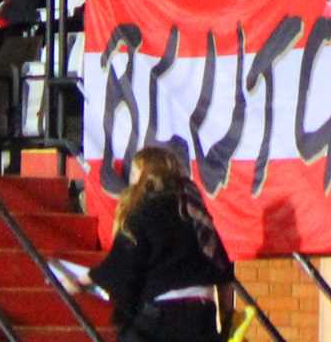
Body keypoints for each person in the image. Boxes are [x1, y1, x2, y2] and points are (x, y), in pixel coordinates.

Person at [92, 145, 236, 342]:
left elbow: (123, 265)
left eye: (133, 173)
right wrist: (227, 318)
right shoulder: (193, 211)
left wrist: (86, 279)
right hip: (202, 313)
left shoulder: (142, 213)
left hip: (163, 314)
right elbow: (222, 267)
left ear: (144, 177)